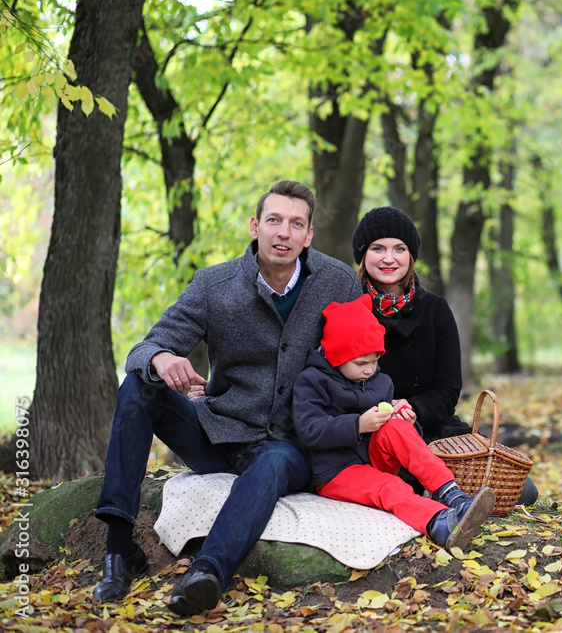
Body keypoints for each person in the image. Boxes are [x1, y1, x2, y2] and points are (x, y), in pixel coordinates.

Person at [92, 181, 362, 616]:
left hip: (290, 446)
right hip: (218, 433)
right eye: (274, 220)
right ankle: (120, 550)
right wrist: (162, 358)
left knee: (273, 461)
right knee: (139, 384)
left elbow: (364, 361)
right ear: (255, 226)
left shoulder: (340, 283)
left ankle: (207, 574)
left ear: (309, 235)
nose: (283, 233)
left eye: (296, 224)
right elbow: (142, 349)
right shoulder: (213, 284)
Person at [351, 206, 539, 506]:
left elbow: (449, 388)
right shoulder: (347, 306)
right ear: (363, 254)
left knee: (523, 491)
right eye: (378, 248)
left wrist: (413, 407)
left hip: (432, 425)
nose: (389, 258)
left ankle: (435, 488)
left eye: (399, 248)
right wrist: (388, 410)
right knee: (403, 480)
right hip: (371, 429)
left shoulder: (435, 309)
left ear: (411, 255)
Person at [292, 295, 495, 550]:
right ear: (336, 357)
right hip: (335, 471)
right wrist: (358, 425)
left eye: (375, 360)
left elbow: (398, 439)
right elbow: (310, 431)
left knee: (397, 427)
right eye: (361, 363)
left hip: (372, 457)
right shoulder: (312, 382)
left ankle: (451, 493)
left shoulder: (380, 381)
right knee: (390, 487)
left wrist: (406, 420)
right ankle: (439, 522)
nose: (369, 369)